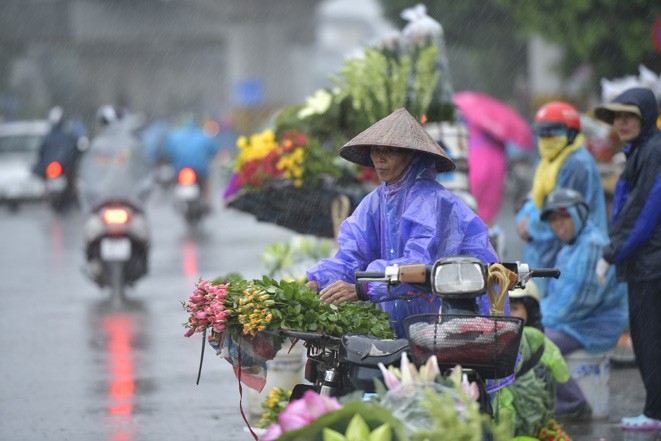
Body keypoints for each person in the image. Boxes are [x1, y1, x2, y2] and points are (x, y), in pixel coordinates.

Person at [305, 108, 498, 339]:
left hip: (443, 322)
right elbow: (353, 255)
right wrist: (318, 282)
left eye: (391, 151)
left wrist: (362, 288)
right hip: (396, 323)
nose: (380, 158)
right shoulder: (376, 201)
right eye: (376, 150)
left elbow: (418, 265)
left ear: (412, 155)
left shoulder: (431, 201)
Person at [592, 87, 661, 430]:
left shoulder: (653, 151)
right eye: (617, 116)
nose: (621, 123)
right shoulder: (639, 151)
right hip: (644, 262)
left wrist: (611, 253)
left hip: (651, 263)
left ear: (645, 117)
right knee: (646, 336)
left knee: (650, 337)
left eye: (629, 116)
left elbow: (642, 212)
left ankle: (654, 412)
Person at [539, 188, 628, 420]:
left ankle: (573, 402)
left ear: (579, 215)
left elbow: (577, 304)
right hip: (574, 322)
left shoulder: (592, 246)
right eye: (553, 220)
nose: (558, 225)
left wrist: (536, 321)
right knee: (530, 336)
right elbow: (556, 296)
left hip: (593, 325)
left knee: (539, 343)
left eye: (563, 217)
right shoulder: (569, 248)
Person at [516, 101, 608, 297]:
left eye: (553, 133)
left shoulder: (575, 163)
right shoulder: (549, 161)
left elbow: (561, 214)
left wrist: (530, 226)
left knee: (560, 316)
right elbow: (534, 200)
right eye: (542, 133)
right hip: (548, 254)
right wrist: (524, 219)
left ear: (572, 133)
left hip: (572, 256)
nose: (546, 138)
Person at [499, 280, 571, 440]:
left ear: (530, 311)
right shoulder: (490, 342)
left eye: (514, 308)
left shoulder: (540, 344)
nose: (508, 315)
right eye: (504, 309)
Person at [164, 114, 220, 209]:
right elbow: (214, 151)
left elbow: (168, 151)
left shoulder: (175, 136)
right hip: (200, 171)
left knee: (174, 183)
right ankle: (207, 202)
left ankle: (175, 200)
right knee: (206, 185)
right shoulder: (204, 136)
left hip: (180, 169)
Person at [32, 106, 83, 183]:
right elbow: (41, 152)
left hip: (64, 167)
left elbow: (75, 150)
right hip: (49, 166)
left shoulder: (68, 134)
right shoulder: (48, 136)